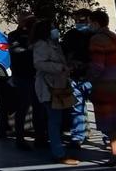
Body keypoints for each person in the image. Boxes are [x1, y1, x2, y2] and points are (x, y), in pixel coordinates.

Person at [31, 19, 79, 165]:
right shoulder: (42, 45)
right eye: (52, 27)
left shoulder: (53, 44)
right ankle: (58, 153)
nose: (55, 30)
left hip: (58, 85)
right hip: (49, 88)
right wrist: (60, 68)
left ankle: (58, 150)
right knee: (54, 120)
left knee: (57, 119)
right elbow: (39, 63)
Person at [88, 9, 116, 165]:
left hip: (105, 85)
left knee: (110, 121)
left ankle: (115, 154)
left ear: (95, 23)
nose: (89, 25)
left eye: (90, 23)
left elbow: (97, 65)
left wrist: (89, 77)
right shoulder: (114, 37)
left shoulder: (97, 39)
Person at [7, 15, 45, 150]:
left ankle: (40, 137)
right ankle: (20, 138)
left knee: (38, 107)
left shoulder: (36, 36)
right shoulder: (15, 35)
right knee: (23, 107)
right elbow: (17, 51)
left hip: (35, 75)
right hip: (23, 75)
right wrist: (32, 49)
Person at [61, 8, 94, 149]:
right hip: (76, 75)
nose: (79, 22)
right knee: (76, 108)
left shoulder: (94, 36)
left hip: (91, 76)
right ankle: (77, 137)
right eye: (77, 19)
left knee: (99, 108)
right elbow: (64, 53)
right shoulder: (70, 35)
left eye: (83, 19)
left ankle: (108, 137)